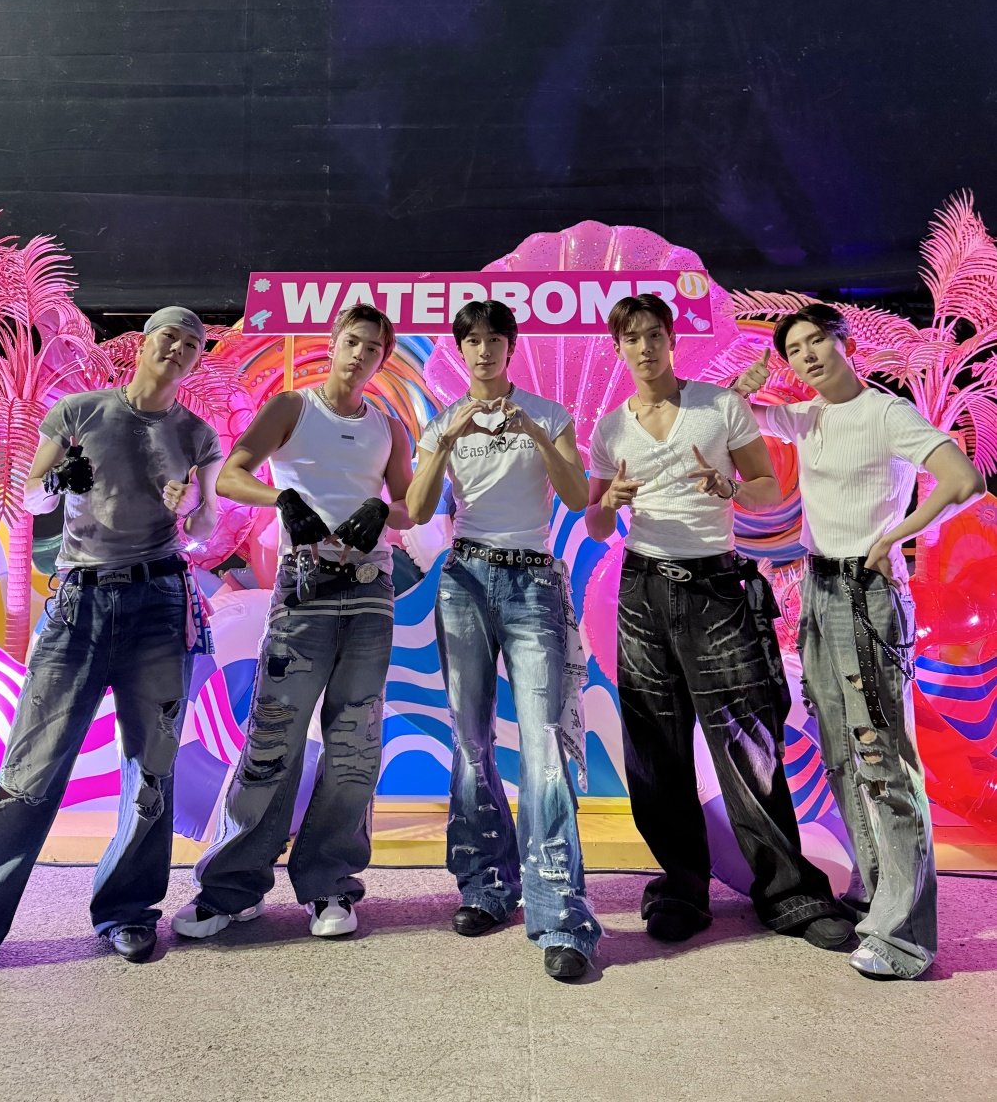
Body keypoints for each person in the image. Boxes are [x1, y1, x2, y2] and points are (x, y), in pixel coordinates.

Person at [0, 306, 222, 971]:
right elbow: (32, 497)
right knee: (28, 772)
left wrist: (192, 508)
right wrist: (55, 478)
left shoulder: (196, 434)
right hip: (79, 607)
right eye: (169, 336)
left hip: (159, 605)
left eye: (192, 344)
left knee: (150, 772)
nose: (178, 348)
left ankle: (128, 913)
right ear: (144, 342)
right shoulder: (80, 412)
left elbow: (206, 527)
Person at [585, 293, 849, 950]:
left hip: (715, 587)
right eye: (631, 338)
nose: (645, 348)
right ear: (618, 349)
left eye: (654, 335)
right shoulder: (610, 430)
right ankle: (682, 887)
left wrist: (727, 487)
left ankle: (788, 893)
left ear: (671, 340)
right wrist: (609, 500)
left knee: (748, 746)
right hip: (642, 590)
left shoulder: (719, 407)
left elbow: (766, 486)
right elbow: (595, 523)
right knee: (655, 749)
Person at [735, 303, 985, 978]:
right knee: (844, 754)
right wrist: (745, 382)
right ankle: (876, 895)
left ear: (846, 343)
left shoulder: (885, 413)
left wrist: (898, 535)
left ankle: (906, 938)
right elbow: (732, 420)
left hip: (867, 594)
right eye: (795, 349)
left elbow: (964, 480)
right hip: (819, 590)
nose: (808, 355)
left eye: (818, 340)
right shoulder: (806, 417)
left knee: (882, 758)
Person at [173, 305, 413, 942]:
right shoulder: (292, 407)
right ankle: (231, 889)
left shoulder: (388, 426)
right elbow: (231, 476)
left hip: (370, 592)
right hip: (302, 590)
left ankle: (330, 883)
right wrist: (282, 499)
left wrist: (381, 511)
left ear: (382, 359)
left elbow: (408, 507)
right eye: (352, 342)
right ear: (332, 344)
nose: (360, 355)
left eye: (372, 348)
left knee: (354, 746)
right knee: (272, 738)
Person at [405, 300, 601, 981]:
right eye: (473, 341)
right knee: (470, 740)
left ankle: (562, 916)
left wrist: (537, 436)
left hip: (532, 582)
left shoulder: (548, 414)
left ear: (511, 347)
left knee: (543, 746)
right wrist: (445, 440)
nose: (483, 350)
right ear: (460, 350)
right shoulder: (442, 420)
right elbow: (417, 508)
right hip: (464, 579)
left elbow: (576, 497)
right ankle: (486, 885)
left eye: (494, 339)